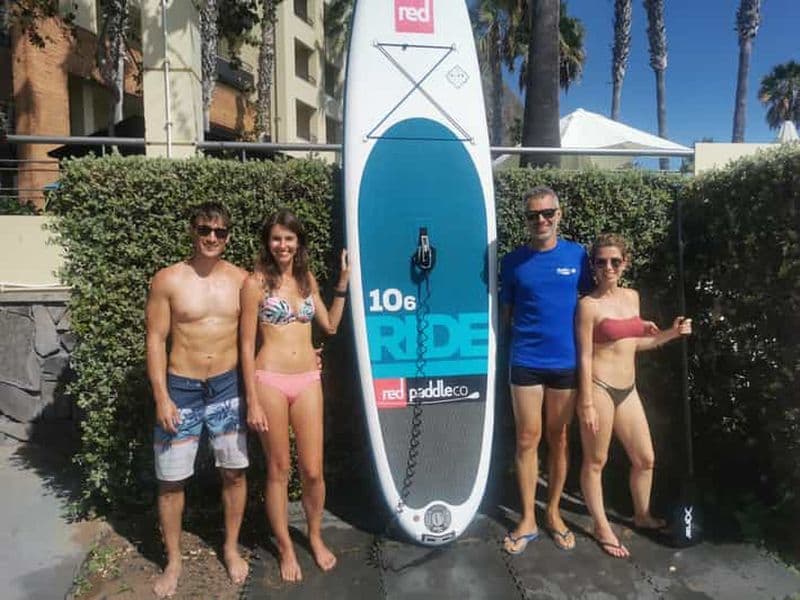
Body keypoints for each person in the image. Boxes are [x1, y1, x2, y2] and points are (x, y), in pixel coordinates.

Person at [146, 202, 250, 598]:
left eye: (220, 232)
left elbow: (262, 332)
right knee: (171, 480)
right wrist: (161, 397)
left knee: (234, 472)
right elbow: (155, 340)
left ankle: (230, 546)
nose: (211, 238)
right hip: (181, 390)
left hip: (228, 388)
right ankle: (173, 560)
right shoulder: (168, 280)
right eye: (205, 230)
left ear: (228, 237)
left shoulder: (242, 281)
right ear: (193, 231)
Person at [240, 208, 349, 583]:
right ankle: (286, 546)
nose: (282, 245)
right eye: (275, 238)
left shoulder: (306, 280)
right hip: (269, 379)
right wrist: (251, 398)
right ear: (267, 243)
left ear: (298, 242)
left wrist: (343, 284)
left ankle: (315, 536)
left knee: (314, 471)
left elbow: (330, 326)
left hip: (307, 380)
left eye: (288, 238)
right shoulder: (254, 283)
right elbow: (243, 345)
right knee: (278, 469)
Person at [576, 233, 692, 558]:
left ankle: (642, 515)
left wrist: (671, 333)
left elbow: (635, 344)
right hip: (598, 389)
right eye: (602, 262)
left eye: (615, 261)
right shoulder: (588, 306)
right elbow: (584, 355)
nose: (609, 267)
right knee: (596, 461)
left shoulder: (632, 297)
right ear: (593, 266)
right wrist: (585, 402)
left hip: (628, 390)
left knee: (645, 459)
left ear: (625, 263)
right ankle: (601, 526)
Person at [500, 186, 593, 554]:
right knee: (527, 438)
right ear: (526, 220)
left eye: (547, 213)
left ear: (560, 213)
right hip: (525, 361)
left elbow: (590, 309)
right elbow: (505, 316)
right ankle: (527, 518)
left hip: (566, 364)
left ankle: (553, 512)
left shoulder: (579, 257)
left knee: (560, 438)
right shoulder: (512, 262)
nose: (541, 220)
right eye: (533, 215)